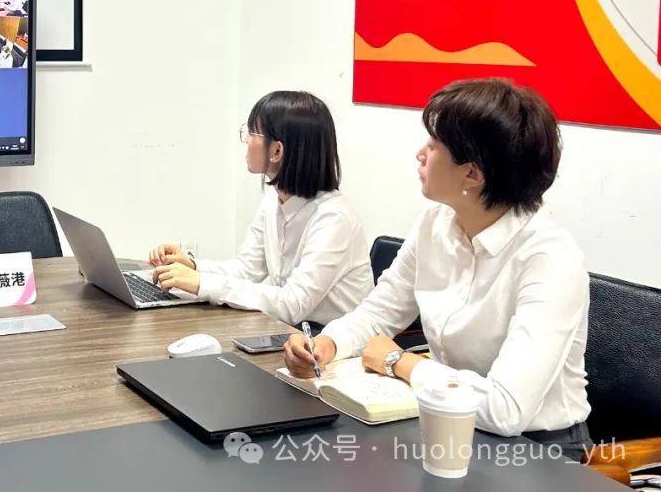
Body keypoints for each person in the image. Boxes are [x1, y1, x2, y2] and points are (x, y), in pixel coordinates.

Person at [283, 78, 591, 459]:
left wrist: (398, 361)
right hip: (446, 423)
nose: (420, 153)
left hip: (539, 450)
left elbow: (506, 408)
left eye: (433, 144)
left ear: (472, 175)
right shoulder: (435, 224)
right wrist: (328, 344)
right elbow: (379, 313)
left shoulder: (550, 258)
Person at [149, 91, 372, 326]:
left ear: (276, 151)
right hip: (293, 332)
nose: (246, 140)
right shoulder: (273, 198)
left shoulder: (334, 218)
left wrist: (202, 284)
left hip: (330, 340)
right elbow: (247, 269)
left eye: (252, 132)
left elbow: (293, 304)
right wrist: (193, 267)